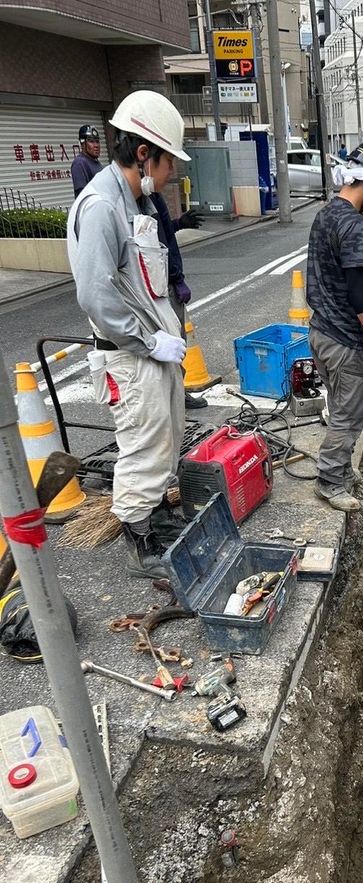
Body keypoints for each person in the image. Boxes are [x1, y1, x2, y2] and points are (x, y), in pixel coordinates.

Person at [67, 91, 191, 578]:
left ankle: (156, 517)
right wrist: (149, 341)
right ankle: (140, 541)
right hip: (131, 356)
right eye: (167, 162)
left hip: (153, 354)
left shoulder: (135, 202)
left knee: (166, 436)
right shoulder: (101, 207)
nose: (170, 173)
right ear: (143, 154)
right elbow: (96, 295)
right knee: (142, 444)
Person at [306, 139, 363, 512]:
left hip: (320, 332)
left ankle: (341, 469)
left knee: (339, 403)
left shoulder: (326, 214)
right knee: (350, 413)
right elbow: (358, 287)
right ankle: (330, 481)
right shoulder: (356, 225)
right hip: (343, 338)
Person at [149, 193, 207, 410]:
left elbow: (162, 233)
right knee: (172, 340)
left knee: (174, 339)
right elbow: (158, 246)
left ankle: (175, 393)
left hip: (163, 281)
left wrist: (178, 224)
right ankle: (173, 395)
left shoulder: (152, 195)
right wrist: (177, 278)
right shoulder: (142, 197)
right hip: (161, 285)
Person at [70, 124, 104, 197]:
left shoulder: (96, 162)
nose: (96, 145)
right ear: (82, 144)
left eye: (97, 141)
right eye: (91, 141)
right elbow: (82, 195)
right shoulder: (80, 163)